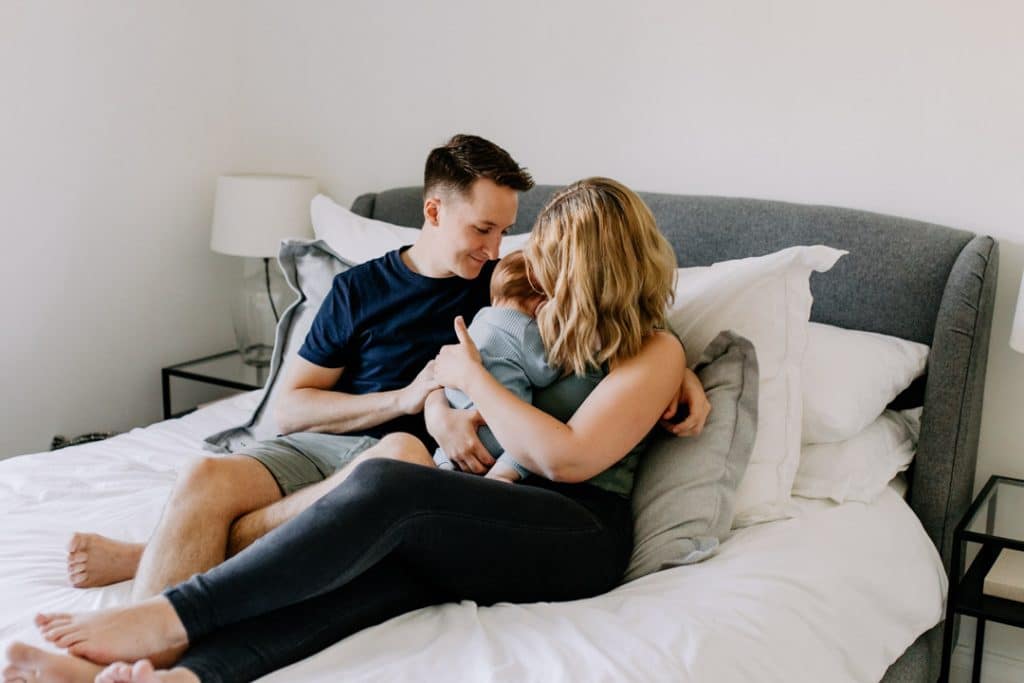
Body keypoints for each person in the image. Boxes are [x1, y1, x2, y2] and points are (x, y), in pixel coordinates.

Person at [5, 177, 702, 683]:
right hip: (498, 512)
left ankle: (171, 616)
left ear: (588, 265)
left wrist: (478, 382)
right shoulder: (539, 313)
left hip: (577, 531)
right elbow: (457, 380)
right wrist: (445, 398)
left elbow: (569, 456)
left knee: (390, 485)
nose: (530, 258)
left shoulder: (656, 350)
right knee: (365, 578)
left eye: (550, 249)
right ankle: (183, 676)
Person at [432, 250, 559, 483]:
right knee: (525, 445)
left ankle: (442, 466)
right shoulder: (525, 328)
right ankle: (500, 477)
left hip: (454, 429)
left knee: (441, 460)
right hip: (494, 431)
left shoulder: (481, 318)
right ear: (542, 304)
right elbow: (544, 373)